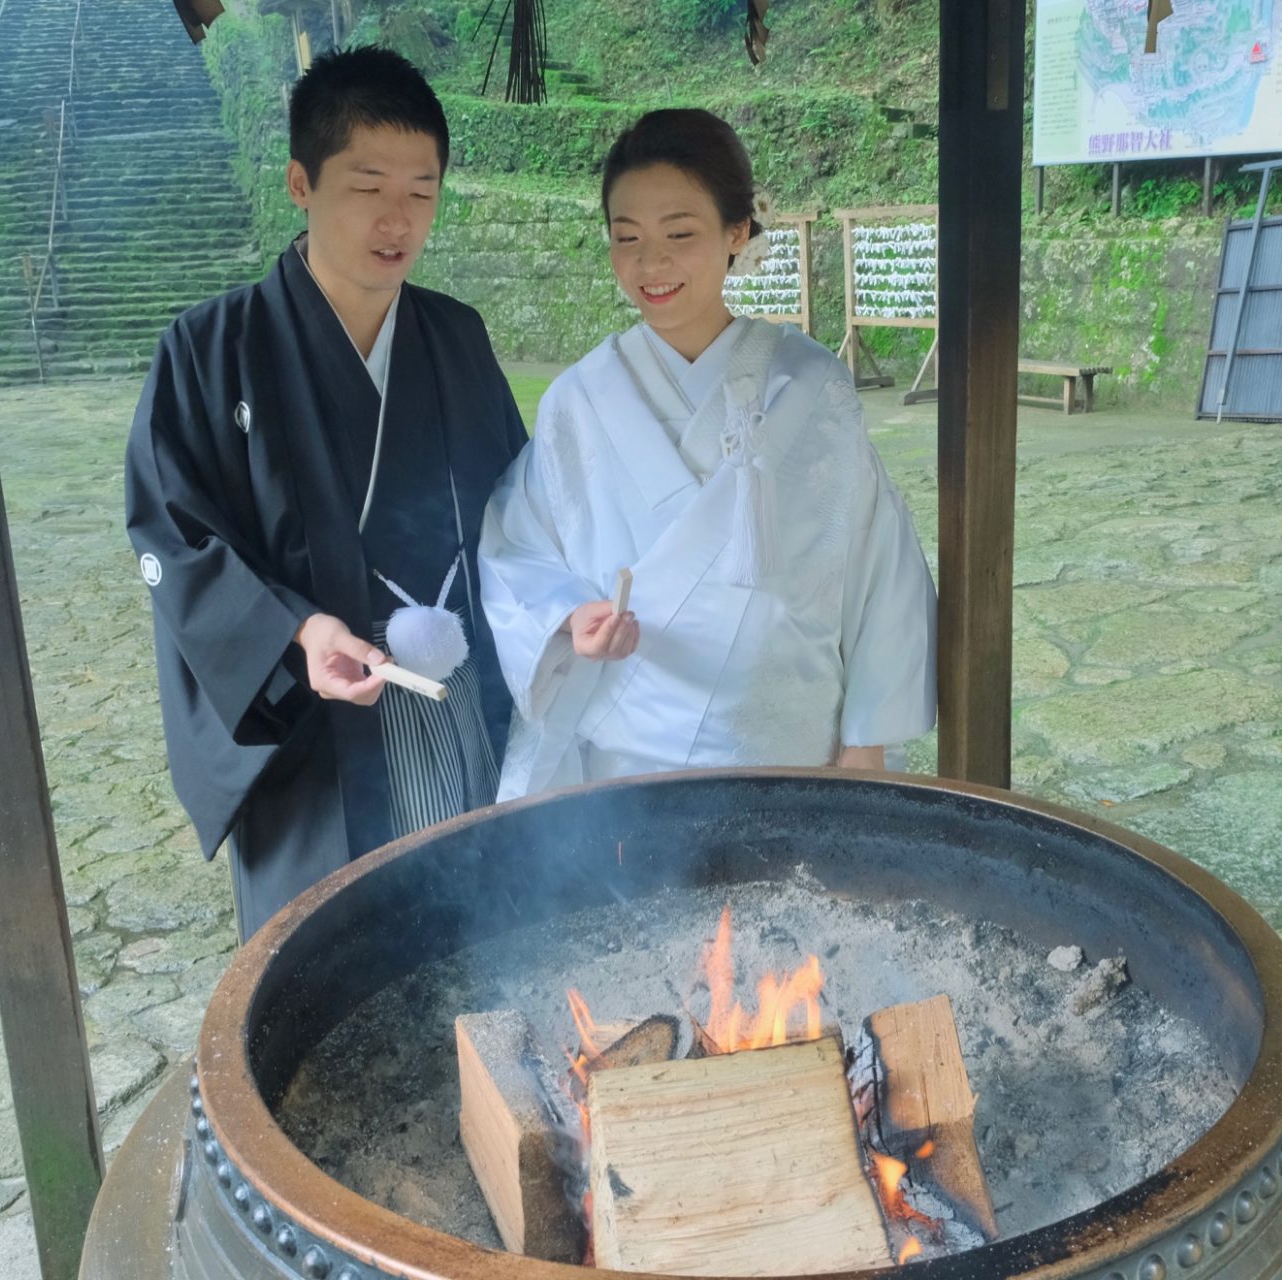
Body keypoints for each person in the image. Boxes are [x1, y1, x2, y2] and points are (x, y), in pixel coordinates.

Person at [124, 47, 527, 942]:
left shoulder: (455, 335)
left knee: (476, 935)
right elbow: (174, 533)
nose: (397, 219)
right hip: (319, 719)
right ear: (301, 183)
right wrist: (299, 631)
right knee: (328, 971)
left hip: (451, 694)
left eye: (422, 191)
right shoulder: (207, 349)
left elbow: (520, 506)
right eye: (367, 185)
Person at [479, 109, 937, 797]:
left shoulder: (811, 388)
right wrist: (570, 618)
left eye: (679, 234)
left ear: (737, 233)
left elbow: (881, 569)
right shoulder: (578, 401)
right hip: (628, 763)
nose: (650, 263)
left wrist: (865, 738)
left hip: (791, 748)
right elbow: (519, 550)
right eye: (625, 237)